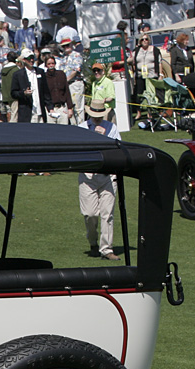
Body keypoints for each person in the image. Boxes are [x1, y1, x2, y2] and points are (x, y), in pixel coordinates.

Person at [78, 98, 121, 261]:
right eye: (94, 114)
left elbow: (118, 149)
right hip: (88, 176)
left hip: (108, 176)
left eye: (100, 114)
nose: (97, 117)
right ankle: (93, 242)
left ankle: (106, 249)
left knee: (107, 214)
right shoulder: (81, 129)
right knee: (90, 214)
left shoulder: (112, 128)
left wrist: (105, 139)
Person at [42, 54, 72, 124]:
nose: (51, 65)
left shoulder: (61, 74)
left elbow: (67, 91)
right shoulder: (44, 77)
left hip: (62, 108)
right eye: (49, 64)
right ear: (46, 65)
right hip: (50, 109)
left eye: (52, 63)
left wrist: (70, 108)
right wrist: (49, 109)